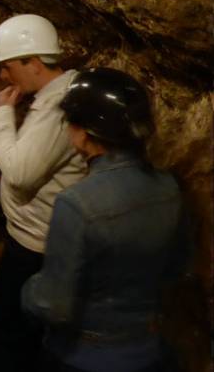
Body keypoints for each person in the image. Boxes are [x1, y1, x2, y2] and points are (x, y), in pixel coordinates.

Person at [22, 68, 187, 372]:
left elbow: (53, 304)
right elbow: (175, 268)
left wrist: (29, 289)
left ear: (83, 133)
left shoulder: (77, 204)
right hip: (147, 352)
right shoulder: (169, 188)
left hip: (85, 357)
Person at [0, 14, 88, 372]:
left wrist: (2, 116)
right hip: (32, 239)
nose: (3, 75)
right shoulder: (52, 97)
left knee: (6, 339)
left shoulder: (58, 106)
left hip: (36, 248)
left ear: (33, 61)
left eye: (8, 65)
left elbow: (21, 173)